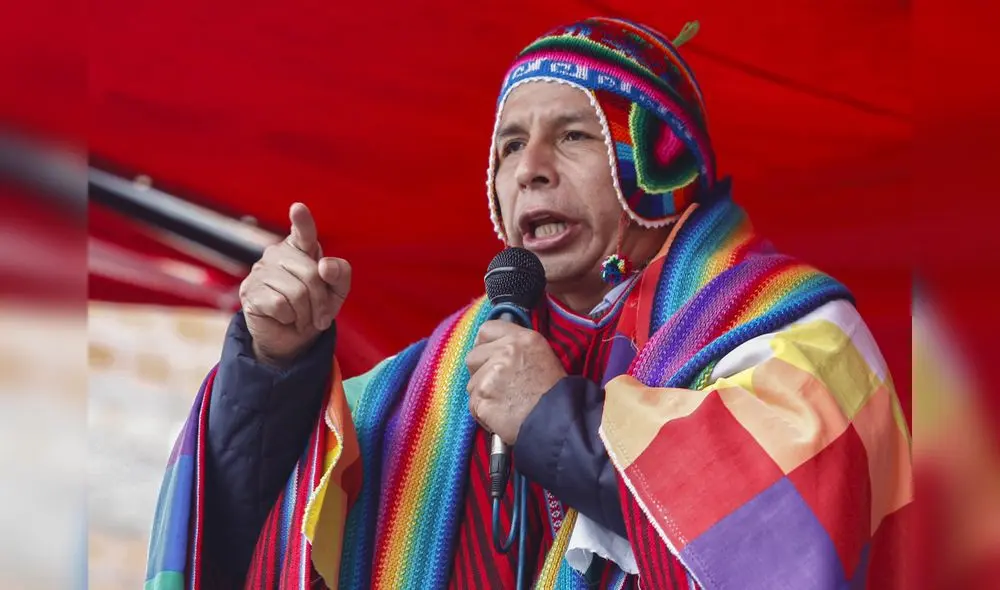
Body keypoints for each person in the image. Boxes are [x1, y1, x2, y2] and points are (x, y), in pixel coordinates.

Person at [146, 16, 912, 590]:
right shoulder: (440, 380)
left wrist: (552, 421)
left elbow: (781, 548)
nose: (529, 171)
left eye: (572, 136)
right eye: (510, 146)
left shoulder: (803, 332)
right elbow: (271, 532)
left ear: (657, 162)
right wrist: (275, 369)